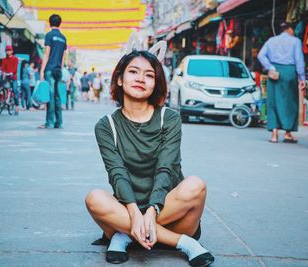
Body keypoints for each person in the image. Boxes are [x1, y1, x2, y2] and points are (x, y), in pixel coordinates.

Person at [85, 47, 215, 266]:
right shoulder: (106, 125)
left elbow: (166, 168)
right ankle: (183, 243)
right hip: (128, 210)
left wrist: (152, 210)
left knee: (196, 185)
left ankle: (125, 235)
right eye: (133, 72)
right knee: (94, 198)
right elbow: (117, 173)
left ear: (156, 83)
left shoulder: (169, 118)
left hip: (170, 212)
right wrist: (135, 212)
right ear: (119, 79)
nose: (140, 79)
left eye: (149, 75)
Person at [258, 22, 306, 143]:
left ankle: (274, 135)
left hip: (274, 73)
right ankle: (287, 133)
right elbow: (299, 61)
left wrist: (270, 67)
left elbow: (261, 55)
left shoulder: (271, 40)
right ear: (290, 30)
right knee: (290, 103)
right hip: (289, 72)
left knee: (273, 102)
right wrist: (302, 78)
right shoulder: (295, 41)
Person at [38, 14, 67, 129]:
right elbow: (64, 56)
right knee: (58, 96)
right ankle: (59, 122)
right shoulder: (63, 38)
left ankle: (49, 122)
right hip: (58, 69)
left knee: (50, 96)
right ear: (59, 23)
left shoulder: (49, 35)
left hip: (50, 69)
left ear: (50, 23)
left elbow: (46, 53)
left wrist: (42, 70)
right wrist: (61, 67)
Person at [0, 45, 20, 115]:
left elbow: (15, 68)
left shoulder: (15, 59)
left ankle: (17, 107)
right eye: (7, 50)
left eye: (9, 50)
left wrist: (11, 73)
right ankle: (0, 100)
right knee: (0, 86)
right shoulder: (4, 60)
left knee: (15, 91)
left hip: (13, 77)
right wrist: (2, 72)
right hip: (6, 77)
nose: (8, 52)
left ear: (12, 51)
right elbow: (2, 67)